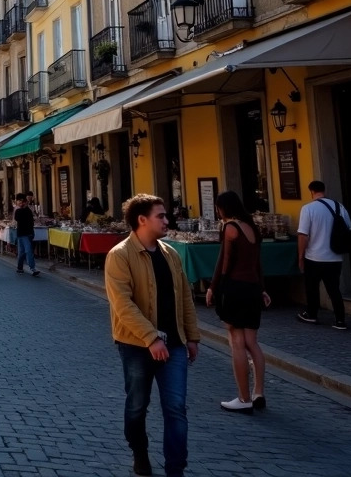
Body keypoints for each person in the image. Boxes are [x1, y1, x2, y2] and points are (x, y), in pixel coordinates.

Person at [105, 195, 200, 477]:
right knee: (137, 406)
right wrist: (151, 338)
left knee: (176, 409)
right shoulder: (119, 255)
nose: (166, 220)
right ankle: (140, 451)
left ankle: (176, 469)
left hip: (175, 343)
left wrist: (192, 336)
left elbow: (185, 297)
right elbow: (122, 305)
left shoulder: (170, 254)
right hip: (136, 345)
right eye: (161, 216)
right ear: (142, 220)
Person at [205, 190, 270, 413]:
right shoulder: (252, 228)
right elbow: (257, 263)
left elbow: (225, 261)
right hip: (252, 288)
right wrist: (262, 288)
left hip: (234, 287)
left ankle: (243, 399)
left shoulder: (230, 228)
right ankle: (258, 392)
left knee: (236, 341)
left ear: (223, 208)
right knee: (252, 342)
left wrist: (215, 287)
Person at [297, 180, 351, 330]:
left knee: (312, 287)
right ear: (324, 190)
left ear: (311, 192)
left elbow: (303, 235)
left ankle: (311, 314)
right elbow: (349, 229)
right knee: (334, 289)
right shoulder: (339, 207)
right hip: (334, 257)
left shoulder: (308, 209)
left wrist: (300, 256)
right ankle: (340, 320)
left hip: (314, 257)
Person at [14, 193, 40, 277]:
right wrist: (20, 207)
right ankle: (32, 268)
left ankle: (19, 267)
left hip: (28, 233)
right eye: (19, 202)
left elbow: (31, 221)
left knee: (22, 252)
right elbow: (17, 218)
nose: (21, 203)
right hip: (22, 233)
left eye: (23, 202)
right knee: (28, 251)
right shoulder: (18, 210)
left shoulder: (28, 210)